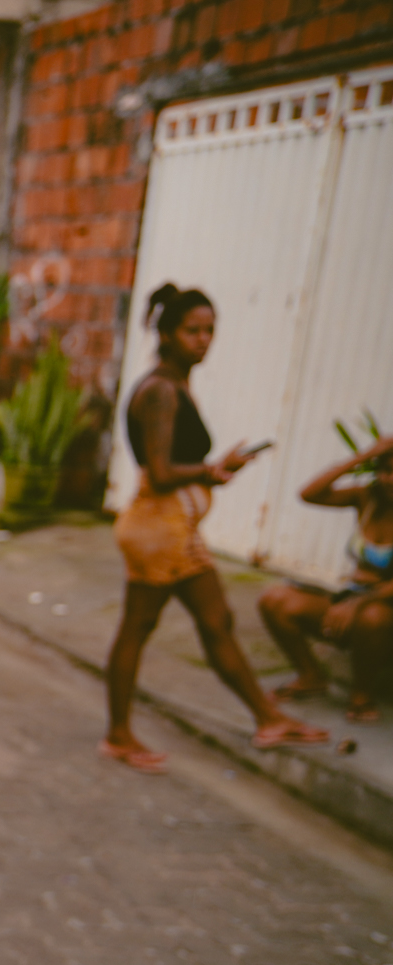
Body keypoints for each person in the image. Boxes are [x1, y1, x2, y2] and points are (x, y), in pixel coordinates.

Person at [100, 282, 328, 772]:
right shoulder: (161, 390)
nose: (203, 340)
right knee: (141, 627)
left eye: (209, 331)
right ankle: (119, 735)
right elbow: (160, 473)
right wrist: (210, 469)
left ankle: (268, 718)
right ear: (165, 333)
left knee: (214, 620)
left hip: (170, 527)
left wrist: (214, 472)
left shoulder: (174, 383)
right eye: (192, 331)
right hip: (159, 529)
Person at [257, 432, 393, 723]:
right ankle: (311, 675)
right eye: (386, 470)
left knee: (374, 617)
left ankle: (361, 693)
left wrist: (357, 604)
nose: (390, 479)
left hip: (383, 609)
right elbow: (309, 493)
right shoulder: (367, 498)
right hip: (353, 597)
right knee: (275, 600)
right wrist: (365, 455)